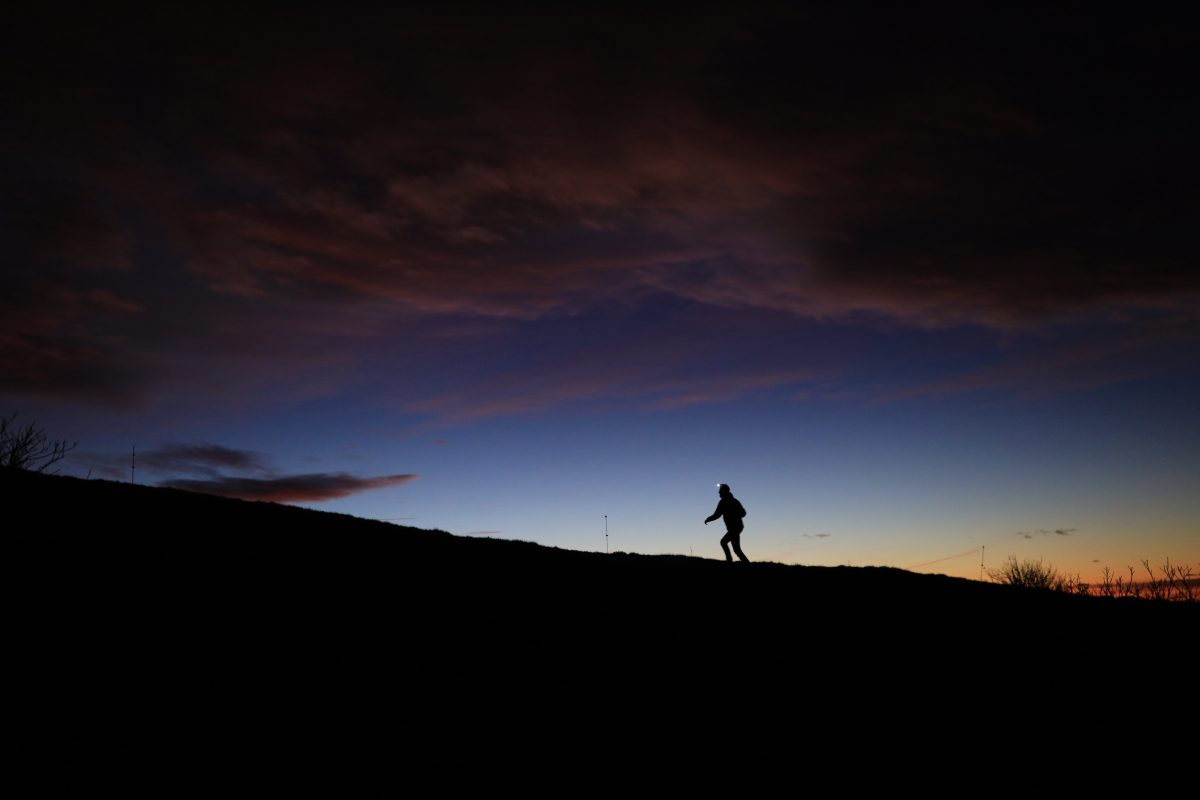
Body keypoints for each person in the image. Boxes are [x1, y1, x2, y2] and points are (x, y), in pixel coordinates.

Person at [705, 483, 749, 563]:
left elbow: (743, 513)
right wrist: (709, 519)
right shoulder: (727, 502)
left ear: (724, 492)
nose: (719, 493)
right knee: (736, 549)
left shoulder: (731, 502)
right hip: (736, 527)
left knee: (724, 542)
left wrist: (734, 513)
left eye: (720, 491)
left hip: (736, 527)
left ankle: (729, 560)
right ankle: (746, 563)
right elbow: (717, 514)